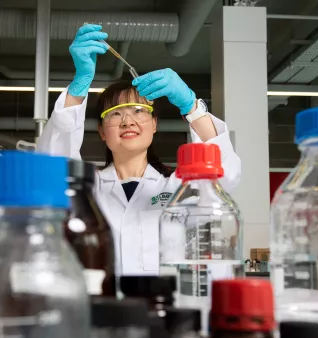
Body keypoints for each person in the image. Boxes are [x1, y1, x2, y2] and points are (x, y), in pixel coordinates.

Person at [37, 24, 241, 276]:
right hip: (102, 309)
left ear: (154, 125)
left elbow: (223, 172)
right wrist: (78, 88)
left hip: (169, 309)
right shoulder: (87, 190)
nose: (127, 121)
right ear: (102, 131)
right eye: (115, 114)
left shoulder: (179, 187)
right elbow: (50, 171)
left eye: (138, 111)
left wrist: (192, 107)